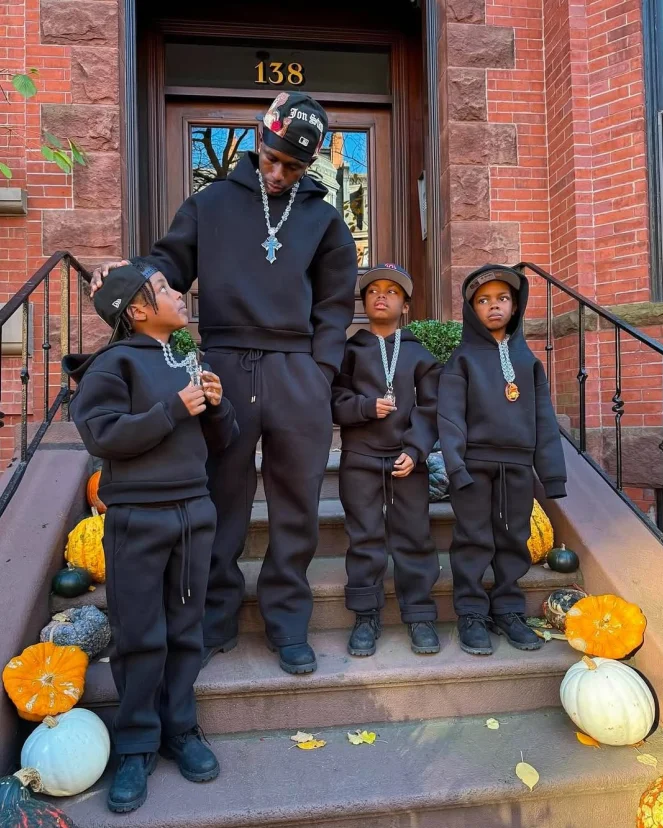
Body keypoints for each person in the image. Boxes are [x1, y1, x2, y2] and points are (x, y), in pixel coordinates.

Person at [89, 92, 358, 675]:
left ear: (310, 163)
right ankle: (215, 617)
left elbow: (335, 305)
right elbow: (168, 264)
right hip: (225, 365)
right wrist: (127, 275)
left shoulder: (326, 220)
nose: (278, 173)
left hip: (297, 369)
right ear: (259, 140)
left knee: (297, 503)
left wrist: (320, 373)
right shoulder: (209, 203)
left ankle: (288, 622)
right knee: (221, 497)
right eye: (272, 158)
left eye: (293, 166)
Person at [63, 259, 237, 813]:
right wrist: (172, 409)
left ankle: (180, 729)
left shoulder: (188, 359)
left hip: (194, 512)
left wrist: (216, 406)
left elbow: (223, 440)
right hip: (138, 518)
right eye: (163, 288)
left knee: (186, 631)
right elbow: (102, 434)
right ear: (137, 311)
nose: (178, 293)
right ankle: (135, 744)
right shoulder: (113, 365)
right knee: (140, 634)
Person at [437, 264, 567, 657]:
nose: (494, 306)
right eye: (483, 300)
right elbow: (449, 417)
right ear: (471, 309)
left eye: (502, 298)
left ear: (515, 305)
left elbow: (543, 417)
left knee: (513, 538)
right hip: (473, 467)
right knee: (473, 540)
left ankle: (508, 609)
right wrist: (455, 466)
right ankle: (472, 613)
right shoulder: (462, 359)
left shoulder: (528, 361)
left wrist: (552, 474)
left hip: (517, 466)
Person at [331, 264, 442, 657]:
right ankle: (366, 615)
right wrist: (364, 407)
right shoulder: (349, 351)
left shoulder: (419, 354)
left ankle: (419, 614)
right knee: (364, 537)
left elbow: (432, 408)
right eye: (373, 290)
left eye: (392, 291)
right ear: (364, 303)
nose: (381, 296)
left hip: (406, 461)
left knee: (414, 536)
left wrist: (416, 450)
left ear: (405, 306)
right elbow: (335, 400)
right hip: (360, 459)